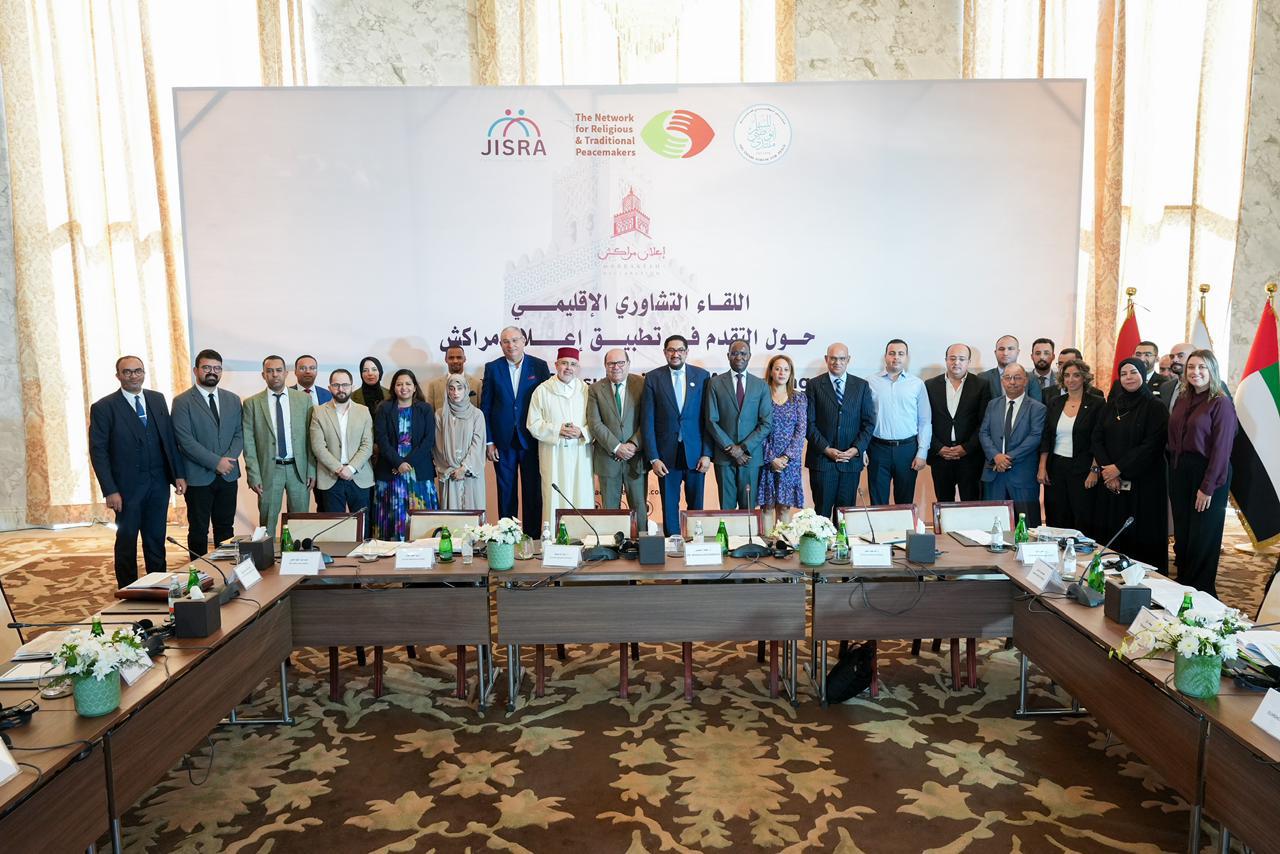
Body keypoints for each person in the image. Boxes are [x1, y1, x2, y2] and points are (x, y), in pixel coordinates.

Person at [89, 356, 187, 589]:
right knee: (127, 541)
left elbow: (168, 440)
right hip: (126, 489)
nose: (133, 376)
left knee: (156, 539)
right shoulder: (104, 407)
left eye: (138, 371)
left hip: (158, 484)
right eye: (127, 372)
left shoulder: (157, 399)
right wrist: (110, 490)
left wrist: (178, 474)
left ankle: (158, 586)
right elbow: (98, 452)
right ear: (118, 376)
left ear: (144, 373)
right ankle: (128, 590)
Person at [1091, 357, 1170, 572]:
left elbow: (1152, 445)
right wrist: (1108, 470)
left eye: (1133, 372)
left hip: (1145, 482)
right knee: (1113, 530)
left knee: (1141, 533)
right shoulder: (1111, 406)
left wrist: (1118, 468)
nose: (1128, 377)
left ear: (1143, 375)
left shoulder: (1156, 407)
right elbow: (1096, 438)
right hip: (1111, 481)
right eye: (1124, 374)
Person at [1168, 350, 1237, 595]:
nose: (1195, 372)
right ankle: (1184, 584)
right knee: (1184, 533)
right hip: (1180, 471)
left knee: (1203, 535)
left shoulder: (1221, 402)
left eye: (1202, 367)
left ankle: (1201, 591)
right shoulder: (1183, 398)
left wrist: (1207, 487)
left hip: (1209, 473)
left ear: (1212, 371)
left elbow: (1222, 449)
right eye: (1191, 367)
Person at [172, 349, 242, 557]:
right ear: (196, 370)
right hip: (198, 477)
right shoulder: (182, 401)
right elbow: (185, 441)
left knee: (226, 528)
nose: (212, 372)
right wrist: (216, 462)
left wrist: (227, 461)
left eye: (217, 368)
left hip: (228, 475)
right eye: (207, 367)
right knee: (198, 530)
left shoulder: (233, 399)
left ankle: (225, 570)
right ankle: (198, 571)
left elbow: (240, 433)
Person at [481, 327, 551, 535]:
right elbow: (486, 407)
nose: (510, 345)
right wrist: (489, 441)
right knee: (506, 493)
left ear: (523, 341)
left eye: (514, 340)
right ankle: (508, 538)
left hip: (532, 440)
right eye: (505, 341)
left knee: (533, 493)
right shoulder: (493, 368)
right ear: (501, 344)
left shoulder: (539, 366)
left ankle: (533, 539)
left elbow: (546, 405)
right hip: (503, 442)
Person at [641, 334, 712, 536]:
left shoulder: (702, 376)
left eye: (680, 350)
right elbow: (647, 421)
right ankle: (672, 544)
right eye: (671, 350)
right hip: (666, 456)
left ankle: (696, 543)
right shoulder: (653, 378)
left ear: (687, 352)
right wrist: (654, 458)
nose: (675, 354)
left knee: (696, 506)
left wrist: (707, 453)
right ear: (665, 352)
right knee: (669, 506)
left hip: (696, 455)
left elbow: (708, 419)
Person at [242, 355, 315, 538]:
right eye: (270, 371)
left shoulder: (303, 400)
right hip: (269, 470)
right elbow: (248, 442)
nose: (275, 374)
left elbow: (310, 438)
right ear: (263, 375)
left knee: (300, 522)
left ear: (286, 373)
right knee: (267, 522)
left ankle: (297, 555)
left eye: (278, 370)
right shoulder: (252, 403)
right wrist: (253, 475)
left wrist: (312, 470)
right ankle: (268, 556)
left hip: (298, 470)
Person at [805, 343, 875, 519]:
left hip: (850, 463)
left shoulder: (861, 386)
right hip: (822, 462)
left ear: (848, 359)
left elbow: (868, 423)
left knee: (845, 516)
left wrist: (856, 449)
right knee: (821, 515)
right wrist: (826, 449)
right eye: (833, 358)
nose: (837, 362)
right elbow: (809, 423)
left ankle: (841, 541)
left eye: (842, 358)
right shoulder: (814, 385)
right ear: (826, 359)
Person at [526, 347, 593, 527]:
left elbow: (596, 423)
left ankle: (583, 536)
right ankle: (554, 538)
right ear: (556, 365)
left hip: (580, 454)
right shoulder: (542, 390)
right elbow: (533, 423)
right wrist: (557, 430)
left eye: (573, 364)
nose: (568, 368)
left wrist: (582, 432)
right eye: (564, 363)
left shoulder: (586, 390)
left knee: (581, 495)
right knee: (554, 497)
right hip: (553, 454)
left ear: (578, 367)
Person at [704, 339, 773, 509]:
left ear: (749, 356)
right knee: (726, 509)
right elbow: (711, 420)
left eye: (743, 353)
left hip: (750, 457)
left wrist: (743, 448)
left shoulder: (761, 386)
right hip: (724, 457)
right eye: (734, 353)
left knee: (748, 509)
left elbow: (766, 423)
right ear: (728, 356)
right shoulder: (715, 383)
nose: (739, 357)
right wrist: (731, 449)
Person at [1036, 359, 1102, 532]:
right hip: (1056, 467)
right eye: (1066, 375)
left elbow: (1099, 440)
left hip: (1083, 468)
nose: (1071, 379)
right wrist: (1042, 467)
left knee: (1082, 516)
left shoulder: (1097, 403)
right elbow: (1046, 436)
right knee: (1056, 516)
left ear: (1084, 378)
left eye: (1076, 375)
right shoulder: (1055, 402)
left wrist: (1095, 470)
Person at [373, 369, 438, 540]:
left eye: (408, 384)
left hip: (419, 470)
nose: (404, 388)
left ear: (415, 387)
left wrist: (406, 463)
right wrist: (398, 462)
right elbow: (381, 439)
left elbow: (428, 440)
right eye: (399, 384)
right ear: (393, 387)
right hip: (390, 469)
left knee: (419, 519)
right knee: (394, 517)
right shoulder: (384, 409)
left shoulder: (425, 409)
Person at [979, 364, 1046, 526]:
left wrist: (1007, 458)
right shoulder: (993, 404)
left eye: (1017, 378)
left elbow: (1035, 437)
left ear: (1026, 381)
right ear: (1002, 381)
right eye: (1008, 378)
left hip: (1022, 475)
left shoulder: (1037, 408)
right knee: (993, 526)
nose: (1012, 382)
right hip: (994, 474)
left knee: (1028, 525)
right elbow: (984, 433)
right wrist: (996, 456)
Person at [866, 339, 930, 505]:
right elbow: (863, 419)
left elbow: (925, 421)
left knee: (905, 503)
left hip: (907, 450)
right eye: (892, 353)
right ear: (885, 356)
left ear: (906, 357)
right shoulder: (870, 382)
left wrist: (922, 452)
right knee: (878, 503)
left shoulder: (917, 384)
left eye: (901, 354)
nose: (896, 357)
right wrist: (863, 450)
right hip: (877, 449)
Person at [925, 343, 991, 502]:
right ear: (946, 360)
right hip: (941, 457)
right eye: (952, 358)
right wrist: (938, 447)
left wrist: (966, 448)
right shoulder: (930, 385)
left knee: (971, 503)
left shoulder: (981, 385)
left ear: (969, 362)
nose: (956, 362)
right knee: (944, 503)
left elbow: (984, 422)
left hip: (970, 457)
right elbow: (925, 421)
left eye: (962, 359)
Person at [585, 348, 647, 514]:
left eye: (620, 363)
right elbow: (595, 423)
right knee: (610, 512)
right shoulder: (595, 389)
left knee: (640, 510)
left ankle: (640, 534)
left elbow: (648, 420)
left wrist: (633, 445)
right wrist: (617, 447)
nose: (616, 367)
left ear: (628, 364)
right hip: (608, 458)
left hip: (636, 458)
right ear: (605, 366)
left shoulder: (642, 384)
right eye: (611, 363)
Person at [310, 369, 375, 513]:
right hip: (330, 477)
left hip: (359, 476)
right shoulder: (318, 412)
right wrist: (339, 469)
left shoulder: (363, 411)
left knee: (362, 523)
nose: (341, 389)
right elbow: (318, 446)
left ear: (352, 386)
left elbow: (367, 445)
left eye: (345, 385)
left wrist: (351, 468)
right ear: (329, 387)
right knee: (334, 524)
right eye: (336, 385)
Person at [757, 354, 806, 531]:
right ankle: (767, 543)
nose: (782, 373)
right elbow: (757, 429)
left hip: (789, 462)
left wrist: (786, 457)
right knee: (767, 506)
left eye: (786, 369)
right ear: (771, 372)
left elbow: (801, 430)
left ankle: (783, 543)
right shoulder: (761, 396)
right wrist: (771, 458)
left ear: (791, 373)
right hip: (766, 459)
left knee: (784, 507)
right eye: (777, 369)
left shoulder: (799, 398)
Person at [435, 375, 487, 511]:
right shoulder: (440, 415)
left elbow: (478, 444)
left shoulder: (477, 414)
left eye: (459, 388)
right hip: (450, 473)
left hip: (471, 473)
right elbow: (438, 447)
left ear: (466, 389)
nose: (455, 393)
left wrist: (464, 468)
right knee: (451, 515)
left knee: (473, 513)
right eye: (451, 389)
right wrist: (453, 469)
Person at [979, 335, 1044, 402]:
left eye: (1010, 349)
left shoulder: (1031, 378)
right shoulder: (983, 377)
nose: (1005, 353)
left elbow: (1036, 406)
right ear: (995, 353)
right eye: (1001, 349)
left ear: (1018, 352)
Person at [426, 346, 483, 412]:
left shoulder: (477, 384)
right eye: (451, 358)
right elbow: (429, 414)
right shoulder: (434, 385)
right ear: (446, 359)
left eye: (459, 357)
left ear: (464, 359)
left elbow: (481, 412)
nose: (455, 361)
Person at [1162, 342, 1194, 411]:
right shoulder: (1165, 387)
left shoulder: (1205, 387)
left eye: (1180, 356)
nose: (1174, 360)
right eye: (1172, 357)